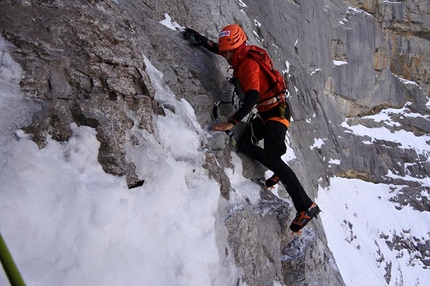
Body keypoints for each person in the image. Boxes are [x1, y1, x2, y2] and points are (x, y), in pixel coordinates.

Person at [183, 24, 320, 233]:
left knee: (274, 158)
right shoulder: (241, 52)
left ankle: (306, 206)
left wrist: (232, 121)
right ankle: (277, 169)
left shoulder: (247, 64)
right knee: (246, 144)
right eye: (225, 52)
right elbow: (219, 49)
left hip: (278, 112)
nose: (226, 56)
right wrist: (201, 39)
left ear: (235, 49)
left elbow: (253, 96)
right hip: (267, 112)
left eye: (228, 53)